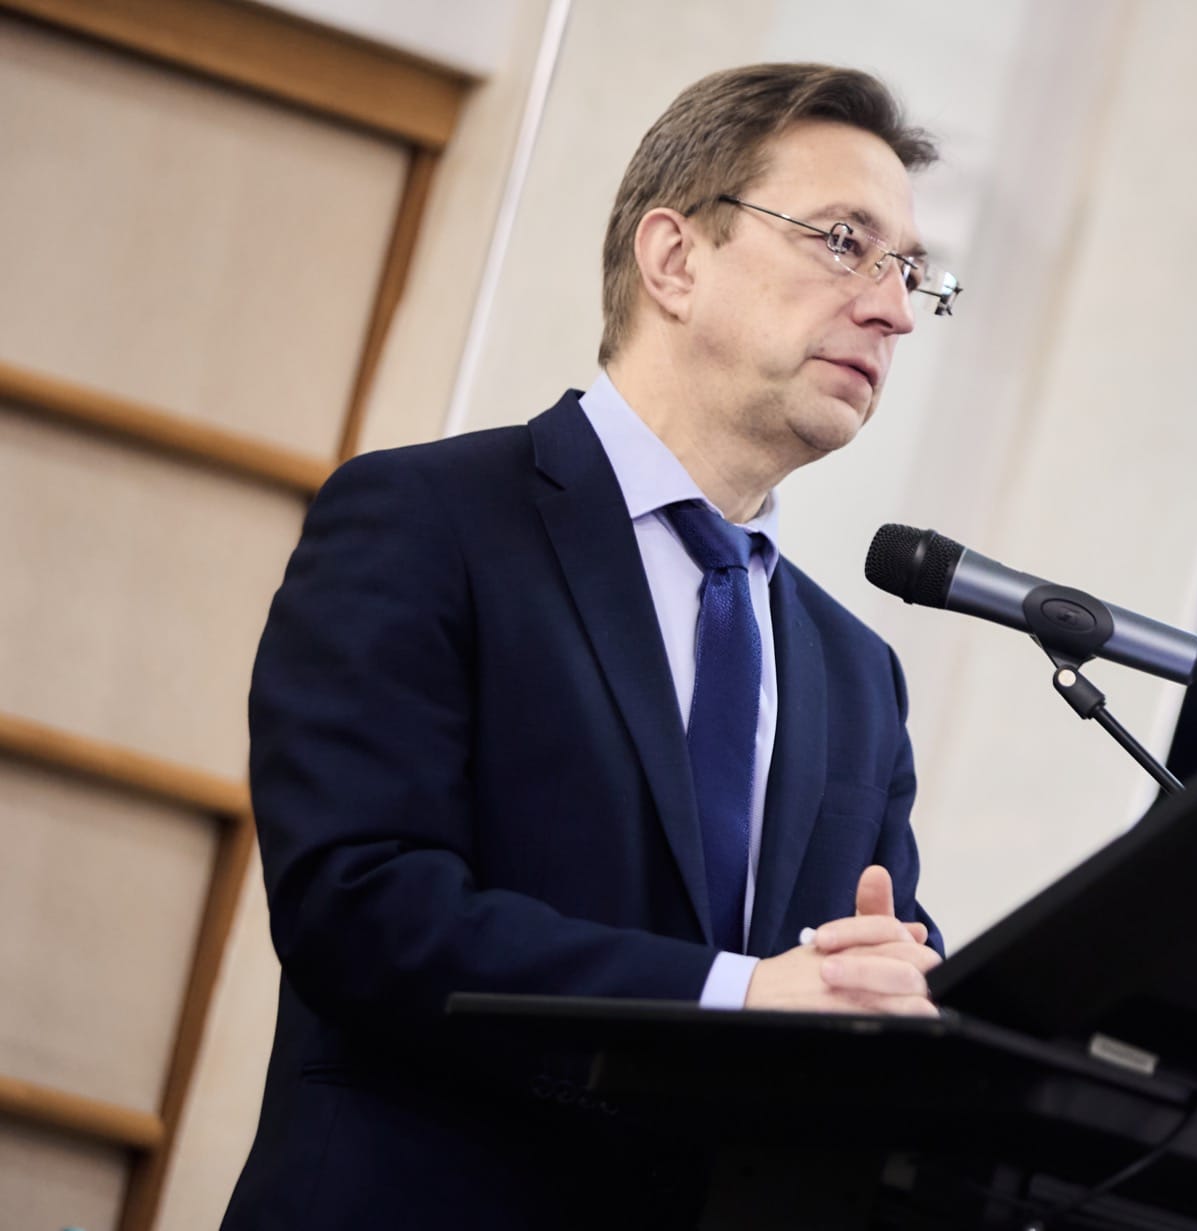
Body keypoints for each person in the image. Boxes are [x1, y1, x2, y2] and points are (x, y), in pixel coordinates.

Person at [221, 63, 960, 1229]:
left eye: (911, 271)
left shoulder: (858, 678)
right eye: (843, 243)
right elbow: (360, 907)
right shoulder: (428, 519)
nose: (895, 311)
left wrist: (890, 1001)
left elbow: (851, 992)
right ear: (675, 259)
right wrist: (738, 997)